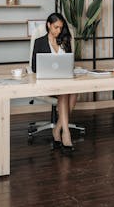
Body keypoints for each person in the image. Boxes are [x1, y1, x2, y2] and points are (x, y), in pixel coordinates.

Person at [32, 12, 77, 151]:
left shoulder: (64, 40)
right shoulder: (39, 42)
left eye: (60, 27)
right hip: (48, 83)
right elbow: (34, 67)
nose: (58, 30)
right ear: (48, 25)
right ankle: (66, 133)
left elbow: (70, 63)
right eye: (56, 27)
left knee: (74, 92)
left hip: (65, 81)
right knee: (65, 93)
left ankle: (57, 129)